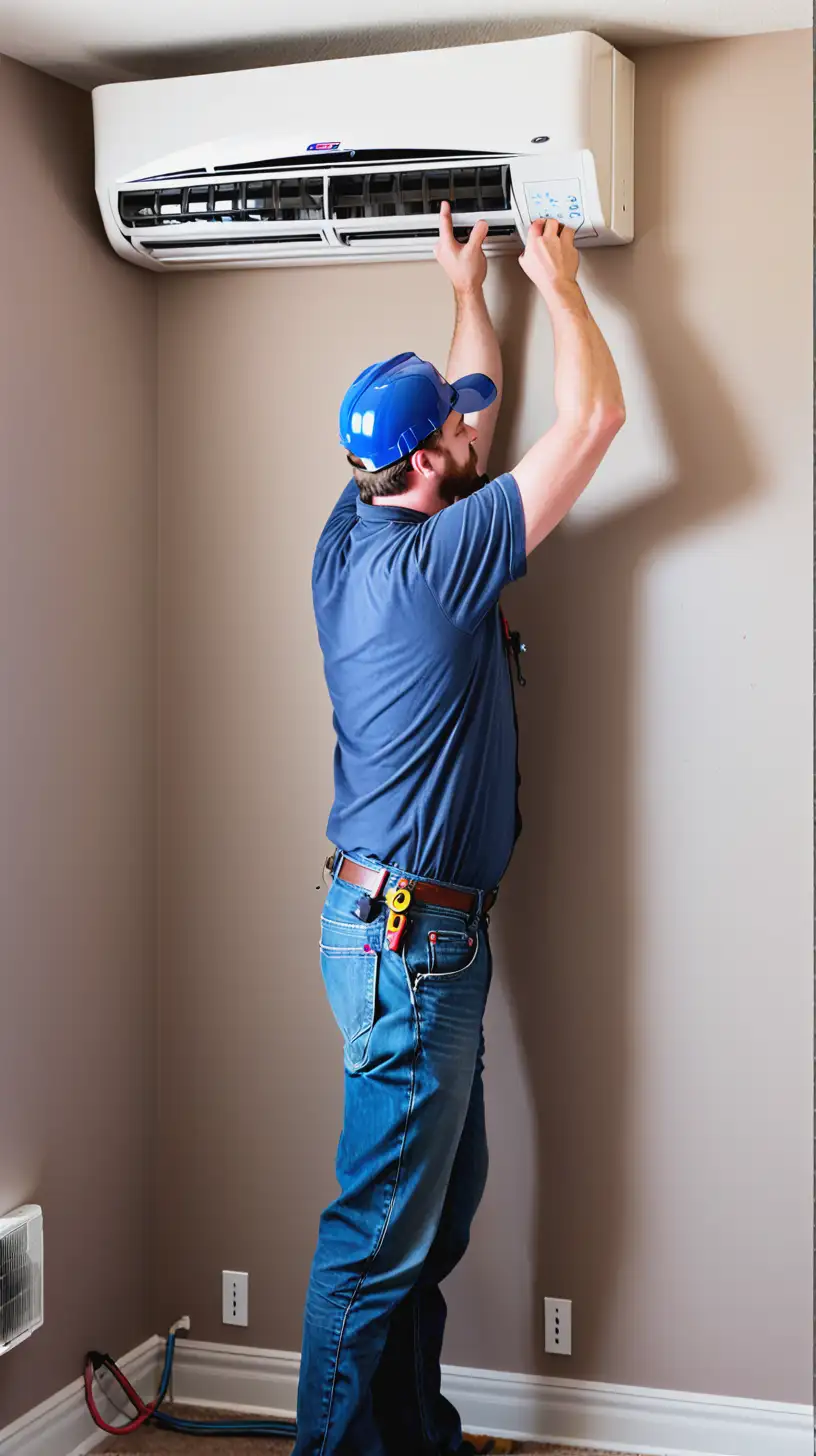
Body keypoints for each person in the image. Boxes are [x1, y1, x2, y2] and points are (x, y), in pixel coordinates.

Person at [296, 201, 625, 1456]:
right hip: (409, 945)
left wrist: (469, 286)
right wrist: (565, 287)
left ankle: (409, 1438)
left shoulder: (354, 527)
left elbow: (470, 403)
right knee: (376, 1235)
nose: (467, 429)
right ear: (428, 464)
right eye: (451, 430)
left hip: (395, 933)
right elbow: (592, 421)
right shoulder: (444, 568)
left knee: (430, 1217)